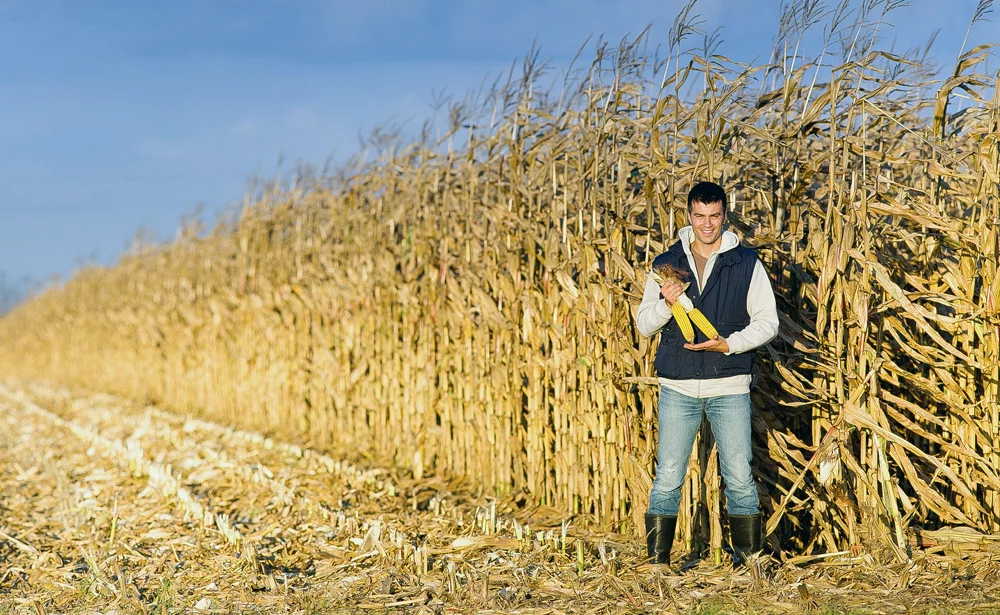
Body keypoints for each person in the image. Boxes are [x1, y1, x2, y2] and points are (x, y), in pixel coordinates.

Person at [635, 181, 779, 566]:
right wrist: (667, 305)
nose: (707, 224)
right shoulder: (666, 263)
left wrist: (728, 344)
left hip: (728, 383)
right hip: (678, 385)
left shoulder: (746, 263)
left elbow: (768, 323)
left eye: (714, 216)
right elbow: (644, 324)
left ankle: (747, 565)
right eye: (700, 216)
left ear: (725, 216)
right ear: (689, 216)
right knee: (668, 476)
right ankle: (658, 564)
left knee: (739, 476)